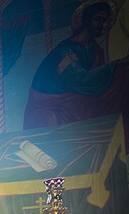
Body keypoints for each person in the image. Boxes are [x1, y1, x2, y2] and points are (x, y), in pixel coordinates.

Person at [24, 0, 129, 143]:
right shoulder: (65, 51)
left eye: (104, 20)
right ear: (86, 20)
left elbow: (98, 87)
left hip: (80, 101)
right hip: (54, 104)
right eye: (97, 19)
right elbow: (79, 81)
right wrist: (119, 64)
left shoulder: (96, 50)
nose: (101, 24)